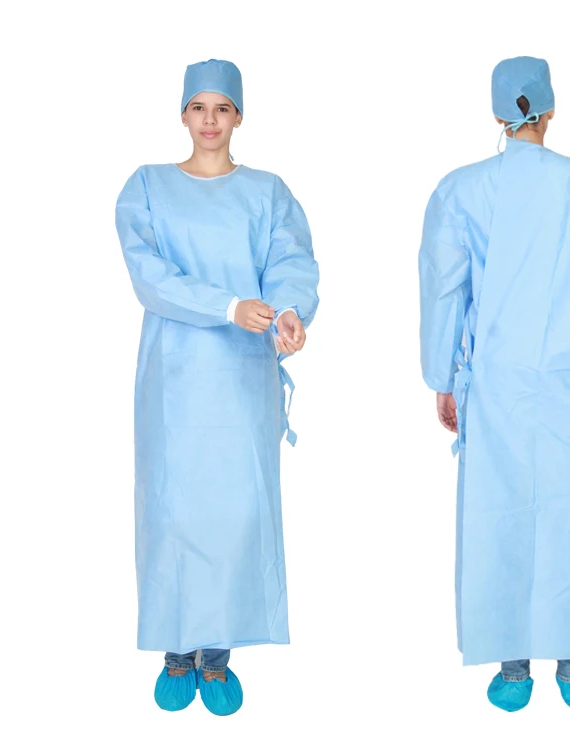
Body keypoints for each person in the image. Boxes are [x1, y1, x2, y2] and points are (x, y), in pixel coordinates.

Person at [418, 56, 570, 711]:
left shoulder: (460, 190)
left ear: (496, 113)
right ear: (551, 108)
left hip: (495, 384)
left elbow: (444, 292)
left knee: (499, 515)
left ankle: (513, 666)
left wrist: (442, 376)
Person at [115, 58, 320, 716]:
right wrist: (229, 306)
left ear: (239, 116)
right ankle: (178, 650)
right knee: (174, 512)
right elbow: (149, 275)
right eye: (199, 107)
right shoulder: (148, 187)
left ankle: (216, 653)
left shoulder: (267, 192)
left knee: (234, 516)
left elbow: (290, 261)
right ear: (182, 114)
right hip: (174, 380)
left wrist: (288, 312)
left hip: (240, 379)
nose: (210, 120)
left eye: (222, 108)